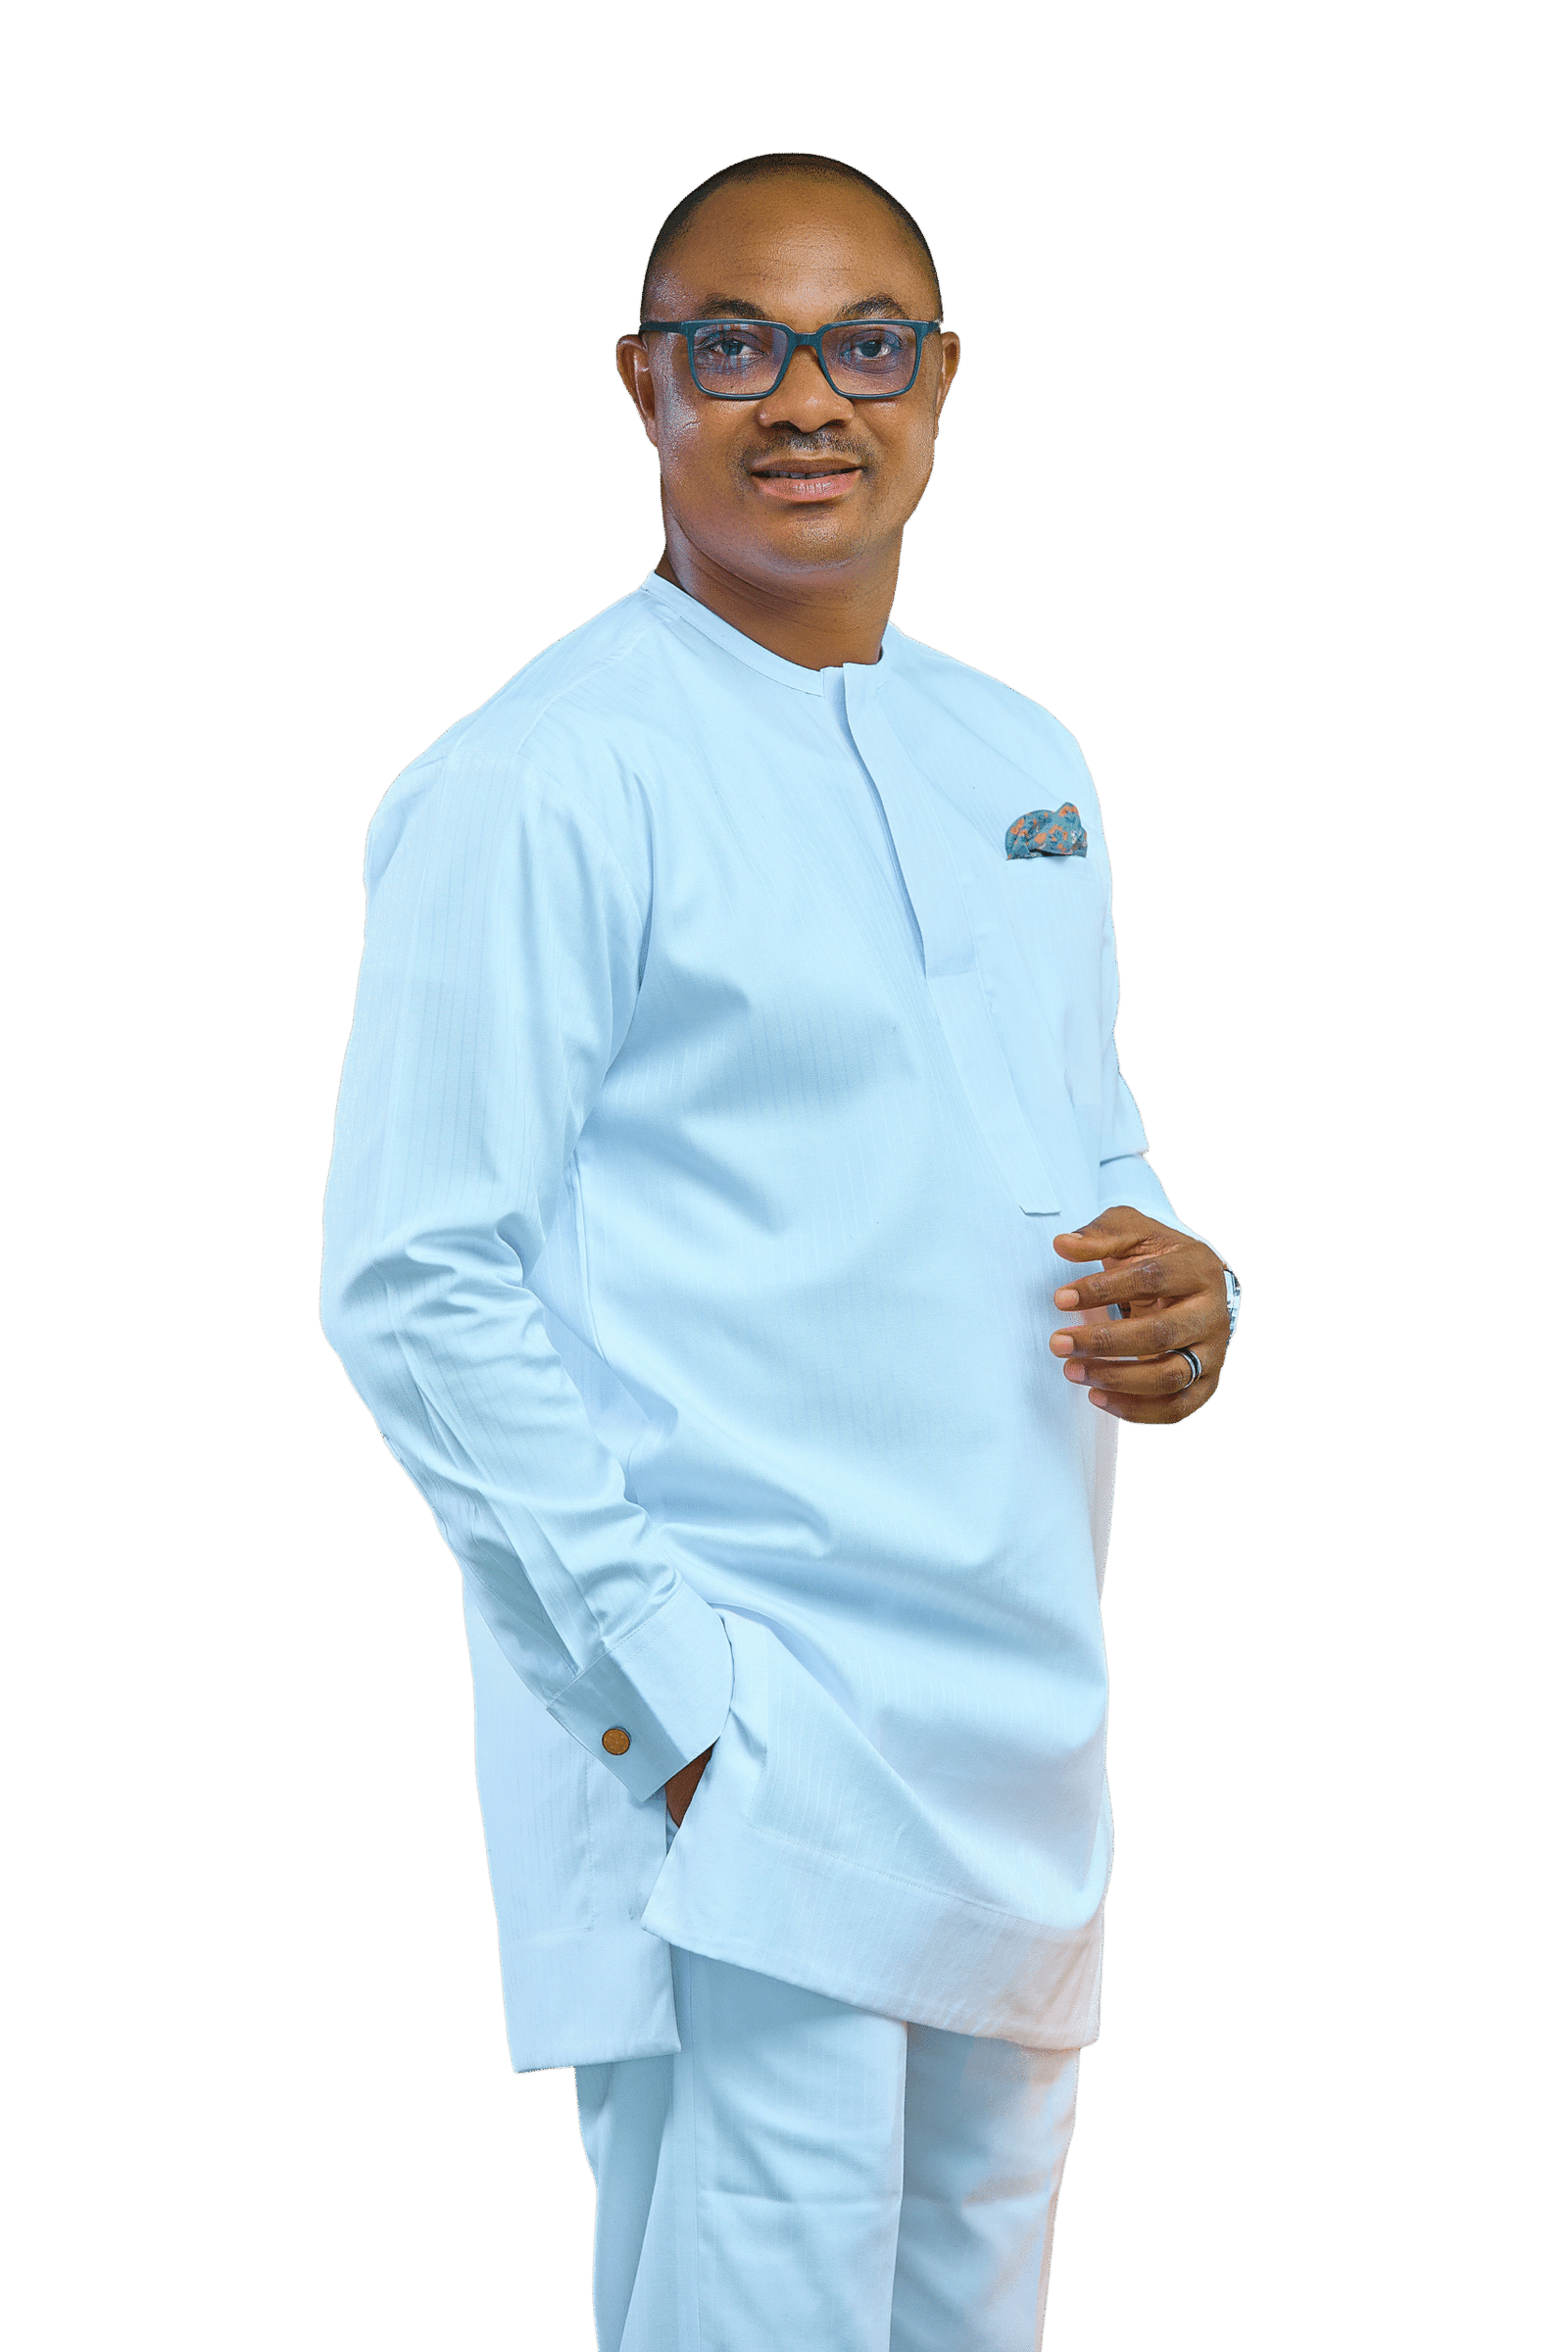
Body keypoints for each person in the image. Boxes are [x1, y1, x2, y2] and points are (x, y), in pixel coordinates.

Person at [320, 151, 1241, 2352]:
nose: (806, 397)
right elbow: (417, 1277)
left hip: (1017, 1722)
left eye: (864, 346)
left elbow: (1074, 1142)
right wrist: (673, 1700)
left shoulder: (1015, 755)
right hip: (741, 1731)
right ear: (643, 384)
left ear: (941, 381)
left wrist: (1194, 1278)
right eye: (734, 345)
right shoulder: (546, 777)